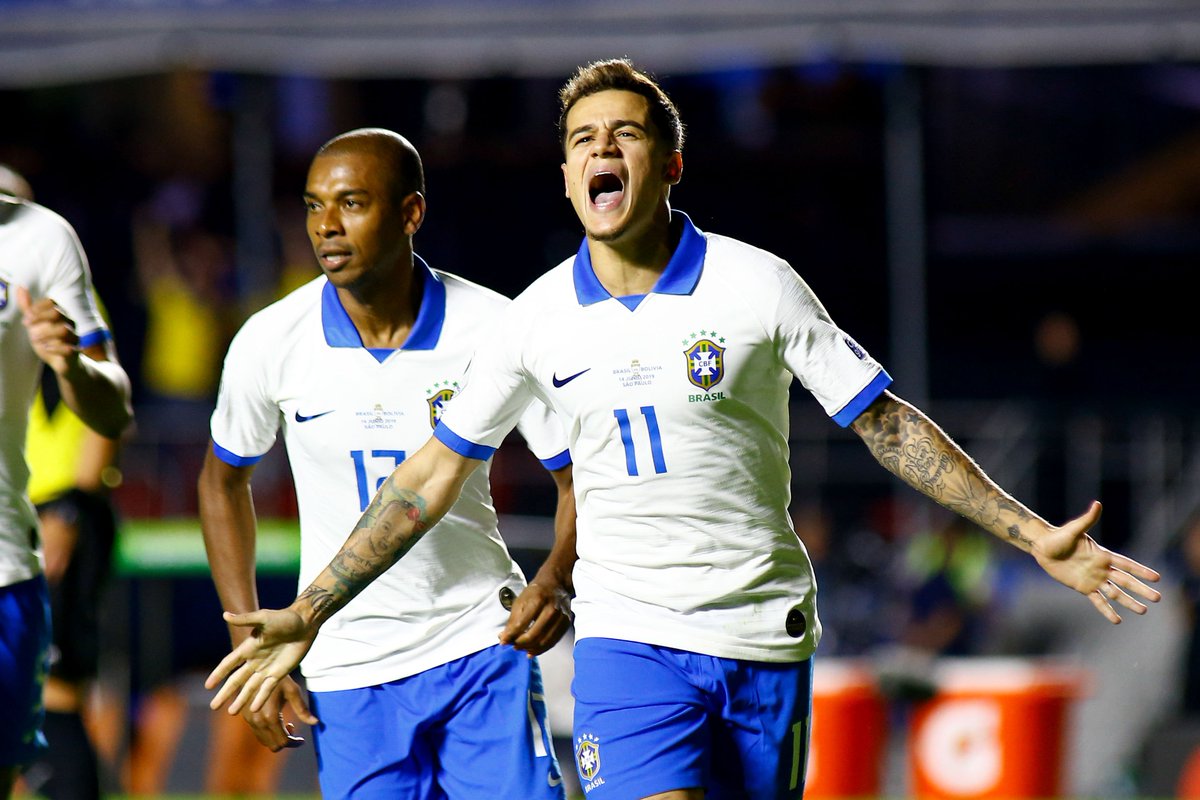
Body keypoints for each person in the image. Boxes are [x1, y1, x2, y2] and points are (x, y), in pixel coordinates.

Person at [207, 60, 1161, 800]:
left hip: (762, 630)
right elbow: (426, 477)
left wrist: (1032, 532)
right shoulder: (532, 320)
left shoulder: (758, 285)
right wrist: (310, 609)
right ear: (570, 176)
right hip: (627, 640)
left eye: (623, 133)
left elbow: (884, 424)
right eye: (581, 138)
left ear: (667, 164)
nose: (598, 150)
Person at [198, 128, 575, 798]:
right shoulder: (270, 341)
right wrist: (249, 636)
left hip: (480, 645)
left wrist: (557, 575)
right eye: (314, 206)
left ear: (410, 213)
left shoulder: (493, 328)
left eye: (351, 203)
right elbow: (222, 481)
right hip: (346, 664)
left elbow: (579, 474)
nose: (326, 227)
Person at [0, 177, 133, 799]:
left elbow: (106, 414)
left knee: (54, 691)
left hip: (53, 512)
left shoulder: (50, 274)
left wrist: (72, 511)